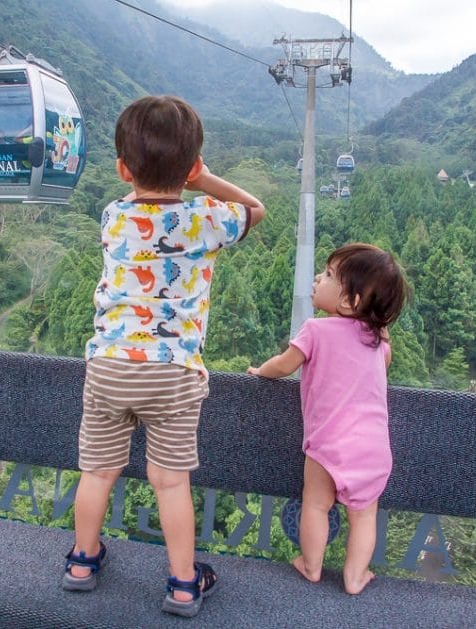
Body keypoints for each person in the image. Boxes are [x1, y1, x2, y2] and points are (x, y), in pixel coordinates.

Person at [63, 95, 265, 618]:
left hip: (108, 365)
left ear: (121, 168)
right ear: (193, 165)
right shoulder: (208, 218)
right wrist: (206, 181)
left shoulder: (112, 216)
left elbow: (141, 210)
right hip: (173, 372)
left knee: (98, 471)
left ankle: (82, 561)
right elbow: (257, 211)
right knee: (170, 481)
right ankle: (181, 583)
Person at [248, 243, 409, 595]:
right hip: (374, 449)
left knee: (317, 506)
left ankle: (311, 565)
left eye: (329, 275)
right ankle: (354, 577)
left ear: (349, 301)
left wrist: (260, 369)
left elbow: (284, 365)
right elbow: (382, 363)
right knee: (364, 516)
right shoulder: (377, 340)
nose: (319, 278)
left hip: (328, 444)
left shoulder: (316, 330)